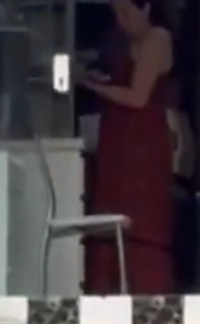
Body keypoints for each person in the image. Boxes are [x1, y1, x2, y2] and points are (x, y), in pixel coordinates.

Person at [80, 0, 176, 295]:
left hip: (142, 144)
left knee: (141, 220)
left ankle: (145, 293)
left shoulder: (157, 38)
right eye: (116, 13)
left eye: (126, 12)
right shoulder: (120, 42)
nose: (121, 21)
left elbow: (137, 96)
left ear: (146, 7)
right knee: (110, 213)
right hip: (117, 141)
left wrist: (90, 85)